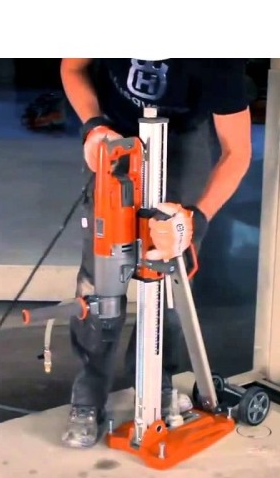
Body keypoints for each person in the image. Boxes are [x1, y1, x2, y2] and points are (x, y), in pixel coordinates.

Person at [60, 58, 253, 448]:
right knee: (99, 279)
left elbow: (238, 152)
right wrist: (93, 126)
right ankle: (88, 392)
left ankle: (154, 379)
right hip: (115, 132)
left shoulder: (221, 60)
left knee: (170, 272)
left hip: (183, 138)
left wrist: (195, 218)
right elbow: (72, 68)